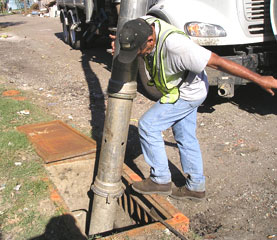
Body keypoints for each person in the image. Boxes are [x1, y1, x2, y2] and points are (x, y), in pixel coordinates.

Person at [111, 16, 277, 200]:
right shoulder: (142, 25)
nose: (138, 55)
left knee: (148, 125)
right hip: (183, 88)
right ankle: (196, 187)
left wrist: (260, 79)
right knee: (185, 136)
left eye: (138, 51)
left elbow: (218, 62)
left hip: (189, 92)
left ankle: (160, 180)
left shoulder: (178, 46)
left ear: (150, 40)